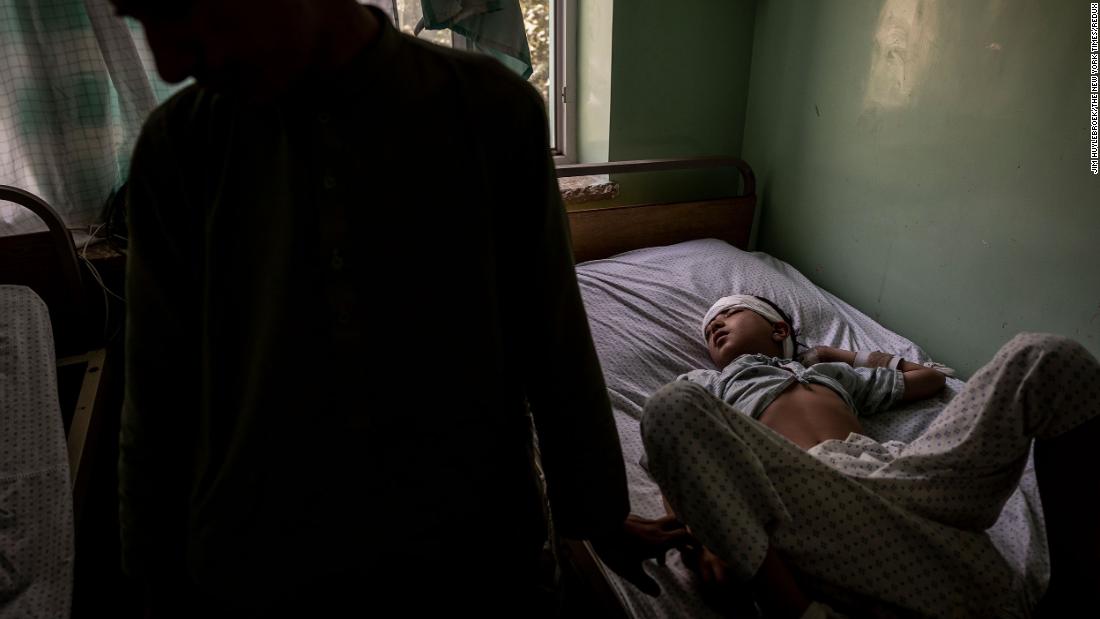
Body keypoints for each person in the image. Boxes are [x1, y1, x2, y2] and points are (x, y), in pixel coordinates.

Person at [113, 1, 687, 616]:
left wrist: (595, 511)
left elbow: (553, 342)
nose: (169, 64)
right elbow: (155, 397)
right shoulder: (179, 147)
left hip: (475, 562)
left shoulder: (489, 112)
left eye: (179, 9)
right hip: (259, 570)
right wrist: (149, 579)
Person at [641, 294, 1100, 618]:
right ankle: (799, 612)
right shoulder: (706, 384)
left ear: (778, 328)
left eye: (728, 313)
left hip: (897, 473)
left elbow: (932, 379)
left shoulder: (829, 372)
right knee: (668, 407)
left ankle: (1070, 585)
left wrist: (838, 354)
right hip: (800, 486)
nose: (714, 325)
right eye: (708, 330)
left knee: (1045, 357)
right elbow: (676, 456)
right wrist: (703, 539)